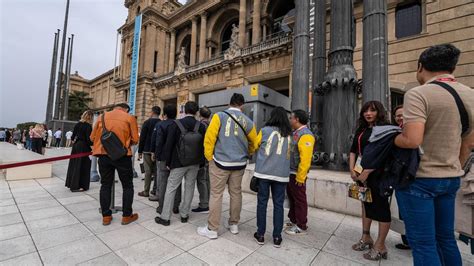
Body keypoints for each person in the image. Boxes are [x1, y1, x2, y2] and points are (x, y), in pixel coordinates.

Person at [394, 44, 474, 266]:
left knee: (423, 243)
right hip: (450, 179)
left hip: (420, 179)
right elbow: (469, 142)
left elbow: (412, 139)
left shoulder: (418, 94)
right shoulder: (470, 94)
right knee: (446, 238)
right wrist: (452, 167)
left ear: (421, 67)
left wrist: (392, 138)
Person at [197, 93, 258, 239]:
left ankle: (212, 229)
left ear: (229, 103)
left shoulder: (219, 116)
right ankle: (234, 224)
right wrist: (247, 153)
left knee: (216, 194)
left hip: (220, 162)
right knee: (236, 193)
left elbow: (209, 138)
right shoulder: (248, 121)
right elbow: (254, 143)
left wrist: (209, 158)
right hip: (239, 163)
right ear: (241, 105)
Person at [349, 101, 391, 261]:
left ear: (379, 112)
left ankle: (380, 245)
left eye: (372, 110)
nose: (368, 113)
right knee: (365, 204)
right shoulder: (362, 129)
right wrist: (352, 169)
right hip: (360, 175)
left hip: (379, 176)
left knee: (381, 209)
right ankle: (366, 237)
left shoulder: (386, 130)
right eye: (366, 111)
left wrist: (367, 172)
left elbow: (385, 155)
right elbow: (353, 150)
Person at [155, 101, 206, 226]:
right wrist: (202, 162)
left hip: (178, 162)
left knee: (171, 188)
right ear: (197, 112)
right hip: (194, 163)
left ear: (184, 110)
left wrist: (167, 161)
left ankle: (165, 217)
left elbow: (169, 144)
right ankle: (184, 215)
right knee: (189, 187)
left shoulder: (176, 124)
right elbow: (204, 146)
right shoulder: (201, 126)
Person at [90, 103, 140, 226]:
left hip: (103, 154)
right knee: (127, 186)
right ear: (126, 109)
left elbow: (92, 137)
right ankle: (126, 216)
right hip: (122, 156)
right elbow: (135, 139)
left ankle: (106, 216)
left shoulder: (102, 116)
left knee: (105, 185)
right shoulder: (130, 118)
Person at [253, 107, 292, 248]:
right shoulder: (289, 135)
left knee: (262, 203)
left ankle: (261, 234)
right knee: (278, 205)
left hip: (263, 173)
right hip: (281, 175)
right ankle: (277, 237)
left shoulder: (264, 130)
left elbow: (255, 146)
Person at [285, 110, 315, 236]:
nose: (290, 120)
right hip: (291, 172)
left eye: (291, 118)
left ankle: (301, 225)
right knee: (292, 198)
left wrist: (301, 177)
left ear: (296, 119)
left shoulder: (306, 135)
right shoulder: (296, 133)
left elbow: (305, 159)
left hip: (297, 174)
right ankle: (293, 220)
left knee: (299, 200)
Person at [149, 105, 182, 213]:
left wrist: (155, 154)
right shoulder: (180, 125)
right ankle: (175, 205)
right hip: (177, 158)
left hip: (163, 157)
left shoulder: (161, 125)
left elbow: (158, 142)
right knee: (176, 182)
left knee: (162, 182)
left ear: (165, 114)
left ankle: (162, 206)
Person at [390, 105, 411, 251]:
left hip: (409, 178)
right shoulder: (396, 131)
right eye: (397, 115)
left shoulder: (413, 132)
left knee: (409, 211)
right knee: (403, 211)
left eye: (403, 115)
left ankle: (413, 240)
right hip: (399, 177)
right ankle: (407, 240)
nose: (400, 118)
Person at [65, 111, 94, 192]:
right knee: (83, 165)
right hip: (84, 147)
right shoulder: (88, 126)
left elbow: (73, 136)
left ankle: (72, 183)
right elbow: (89, 140)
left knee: (75, 164)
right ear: (91, 117)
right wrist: (93, 146)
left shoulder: (78, 124)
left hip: (76, 146)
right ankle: (78, 185)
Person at [137, 106, 161, 197]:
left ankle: (146, 191)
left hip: (147, 150)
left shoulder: (147, 123)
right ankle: (155, 190)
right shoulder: (161, 123)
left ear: (152, 112)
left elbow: (142, 138)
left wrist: (139, 151)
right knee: (156, 171)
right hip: (157, 151)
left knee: (148, 171)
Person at [192, 106, 212, 213]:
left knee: (201, 180)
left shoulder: (201, 126)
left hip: (203, 157)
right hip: (210, 157)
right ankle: (208, 201)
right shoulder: (213, 125)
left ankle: (204, 204)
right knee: (207, 180)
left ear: (200, 115)